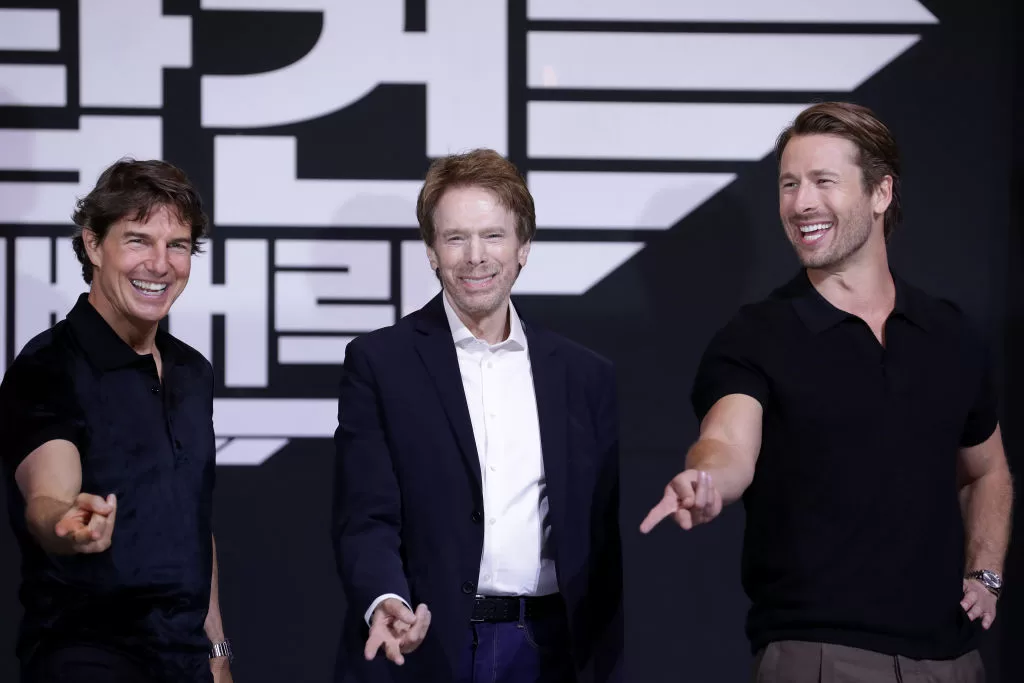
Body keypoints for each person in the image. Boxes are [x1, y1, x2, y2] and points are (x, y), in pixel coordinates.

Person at [641, 102, 1013, 682]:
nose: (800, 203)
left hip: (954, 662)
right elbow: (728, 443)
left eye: (822, 182)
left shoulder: (949, 333)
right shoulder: (756, 336)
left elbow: (987, 470)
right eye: (789, 185)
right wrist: (706, 478)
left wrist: (985, 572)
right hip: (821, 657)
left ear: (881, 193)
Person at [332, 148, 622, 682]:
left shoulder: (584, 376)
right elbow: (365, 514)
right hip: (427, 645)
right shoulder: (381, 363)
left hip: (551, 650)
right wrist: (384, 599)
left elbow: (604, 538)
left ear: (523, 247)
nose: (474, 256)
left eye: (492, 235)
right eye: (455, 237)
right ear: (431, 250)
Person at [0, 159, 234, 683]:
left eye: (176, 245)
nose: (159, 264)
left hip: (186, 661)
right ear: (92, 244)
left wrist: (217, 651)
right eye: (137, 240)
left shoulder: (192, 372)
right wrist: (67, 522)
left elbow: (193, 523)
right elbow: (48, 496)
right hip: (88, 652)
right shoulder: (48, 365)